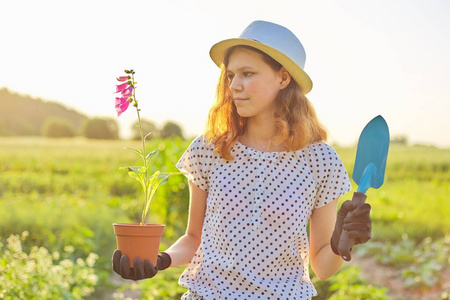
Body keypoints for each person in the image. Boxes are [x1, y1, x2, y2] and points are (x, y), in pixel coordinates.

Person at [112, 20, 372, 299]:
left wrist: (340, 243)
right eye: (231, 75)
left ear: (283, 78)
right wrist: (159, 260)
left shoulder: (320, 160)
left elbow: (322, 268)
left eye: (247, 73)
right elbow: (193, 239)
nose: (234, 85)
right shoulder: (209, 149)